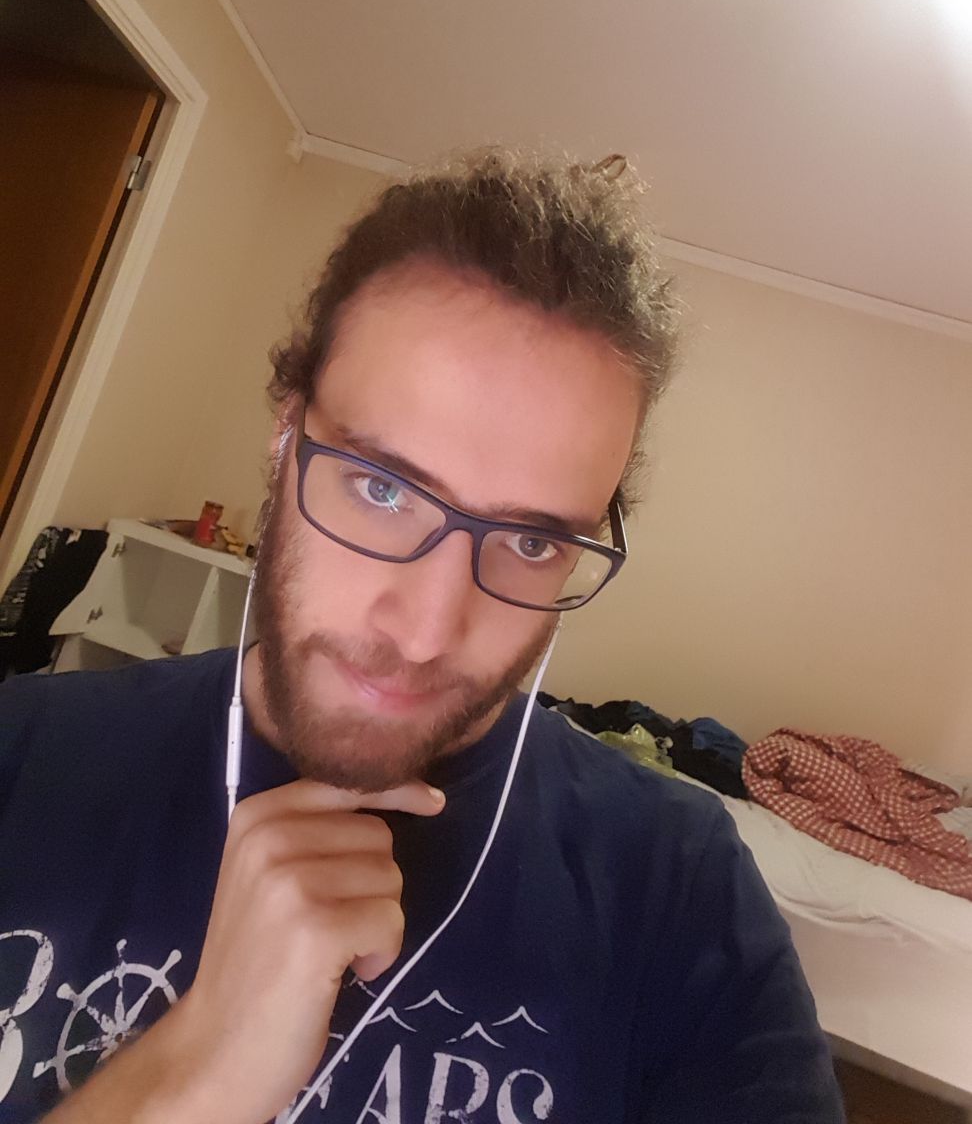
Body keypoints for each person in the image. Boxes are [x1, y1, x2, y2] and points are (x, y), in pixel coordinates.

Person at [0, 150, 845, 1124]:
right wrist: (195, 1072)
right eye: (383, 487)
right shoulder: (22, 756)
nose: (429, 629)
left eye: (531, 541)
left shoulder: (680, 889)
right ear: (286, 435)